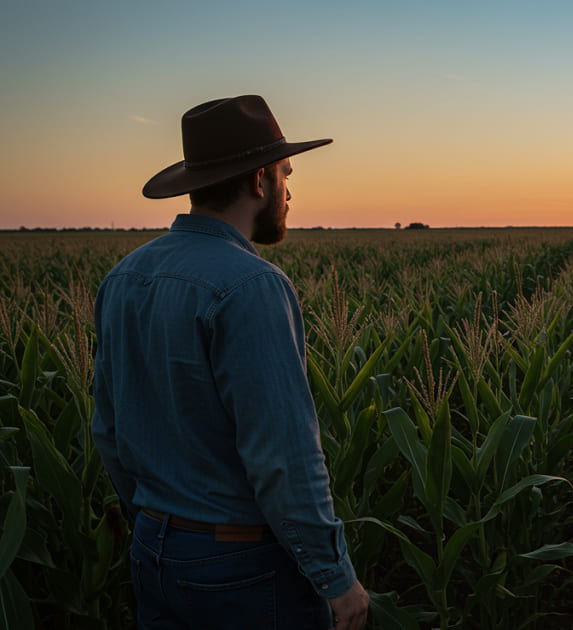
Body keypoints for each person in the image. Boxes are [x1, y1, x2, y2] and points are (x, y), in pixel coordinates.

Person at [91, 95, 370, 630]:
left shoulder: (123, 277)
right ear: (261, 181)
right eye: (287, 175)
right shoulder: (252, 286)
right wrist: (336, 578)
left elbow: (109, 429)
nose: (291, 192)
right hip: (242, 566)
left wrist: (160, 525)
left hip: (153, 550)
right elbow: (283, 458)